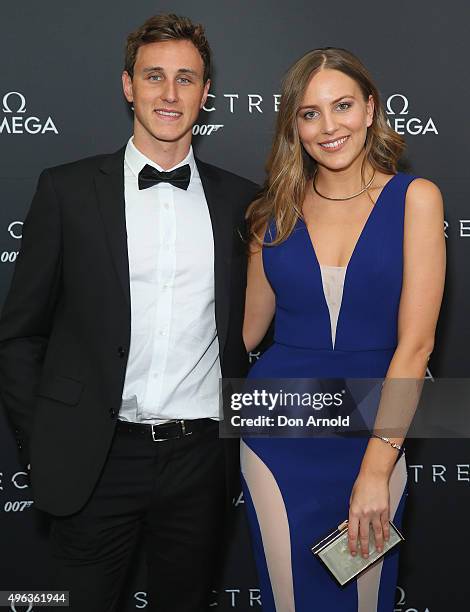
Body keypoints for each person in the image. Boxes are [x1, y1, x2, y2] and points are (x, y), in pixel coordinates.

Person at [0, 13, 258, 612]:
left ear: (206, 93)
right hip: (95, 456)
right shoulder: (65, 190)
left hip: (199, 460)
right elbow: (19, 334)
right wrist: (41, 442)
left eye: (186, 79)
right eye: (154, 76)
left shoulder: (242, 202)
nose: (170, 94)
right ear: (127, 86)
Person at [241, 48, 445, 611]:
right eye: (310, 113)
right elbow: (247, 332)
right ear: (294, 126)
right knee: (289, 600)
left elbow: (418, 344)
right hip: (276, 432)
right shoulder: (271, 212)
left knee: (363, 599)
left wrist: (376, 469)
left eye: (343, 106)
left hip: (374, 434)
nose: (329, 126)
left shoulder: (415, 199)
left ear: (371, 109)